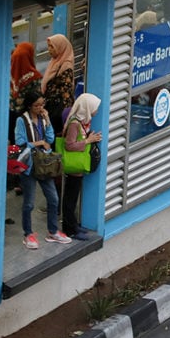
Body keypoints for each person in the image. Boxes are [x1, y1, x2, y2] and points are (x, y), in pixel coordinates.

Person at [14, 90, 69, 249]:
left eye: (42, 105)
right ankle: (28, 234)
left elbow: (50, 139)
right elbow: (20, 142)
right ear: (30, 106)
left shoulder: (44, 119)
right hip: (30, 165)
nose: (40, 108)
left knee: (53, 199)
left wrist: (48, 120)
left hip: (44, 164)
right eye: (37, 105)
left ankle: (52, 231)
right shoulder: (21, 120)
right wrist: (39, 143)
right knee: (29, 203)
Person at [60, 93, 103, 240]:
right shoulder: (74, 124)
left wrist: (90, 137)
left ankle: (73, 224)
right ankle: (69, 229)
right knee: (69, 201)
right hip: (73, 170)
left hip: (78, 171)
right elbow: (69, 145)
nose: (97, 110)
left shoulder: (82, 123)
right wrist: (88, 141)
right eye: (95, 107)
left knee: (73, 198)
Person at [41, 34, 76, 136]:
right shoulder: (55, 62)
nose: (49, 49)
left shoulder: (66, 66)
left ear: (60, 47)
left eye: (52, 47)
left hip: (57, 112)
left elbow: (67, 93)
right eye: (49, 46)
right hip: (51, 107)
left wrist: (65, 117)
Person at [10, 42, 42, 145]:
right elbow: (37, 98)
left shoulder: (10, 74)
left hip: (11, 114)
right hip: (28, 118)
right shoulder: (34, 77)